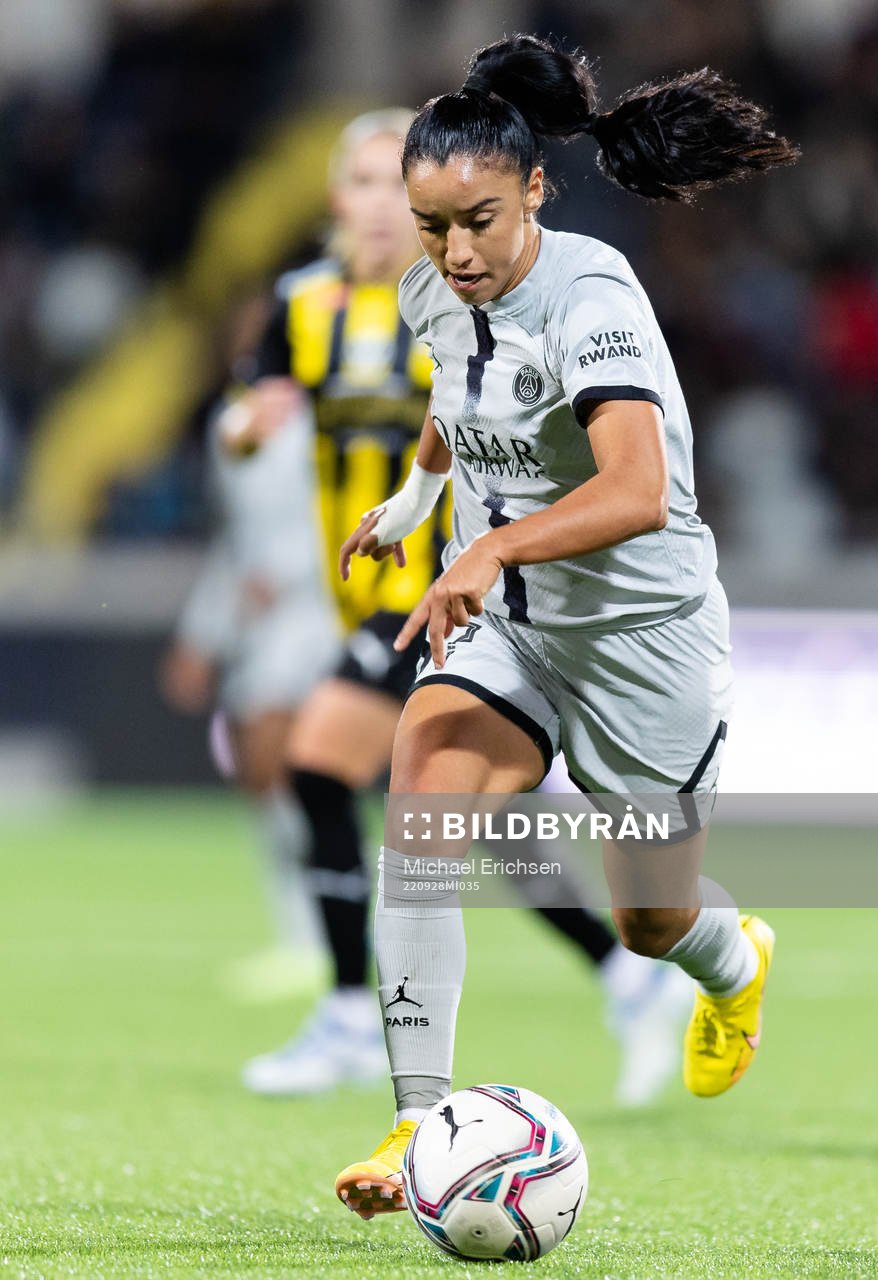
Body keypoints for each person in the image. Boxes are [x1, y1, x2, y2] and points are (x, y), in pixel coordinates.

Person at [333, 35, 798, 1219]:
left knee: (650, 918)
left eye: (480, 220)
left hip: (642, 639)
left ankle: (735, 961)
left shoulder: (592, 296)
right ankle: (414, 1119)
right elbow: (455, 392)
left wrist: (487, 545)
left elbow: (638, 486)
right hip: (514, 633)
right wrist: (420, 500)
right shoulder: (432, 284)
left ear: (535, 187)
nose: (458, 252)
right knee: (425, 794)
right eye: (434, 226)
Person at [226, 108, 693, 1102]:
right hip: (378, 589)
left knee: (321, 764)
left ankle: (356, 1012)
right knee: (474, 828)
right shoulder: (305, 306)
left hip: (463, 597)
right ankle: (627, 969)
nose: (386, 210)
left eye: (395, 190)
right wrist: (244, 422)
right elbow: (250, 398)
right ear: (336, 201)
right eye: (359, 183)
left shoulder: (473, 294)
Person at [160, 391, 339, 983]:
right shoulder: (230, 423)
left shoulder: (341, 401)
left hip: (332, 607)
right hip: (264, 621)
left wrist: (289, 571)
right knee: (265, 773)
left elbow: (358, 501)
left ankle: (328, 931)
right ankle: (306, 935)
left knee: (291, 766)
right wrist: (202, 631)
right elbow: (241, 536)